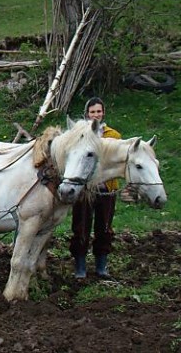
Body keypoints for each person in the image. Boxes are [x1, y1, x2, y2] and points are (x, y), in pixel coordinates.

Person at [69, 97, 121, 278]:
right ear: (87, 114)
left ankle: (101, 266)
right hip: (84, 189)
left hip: (107, 188)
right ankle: (80, 267)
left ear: (103, 113)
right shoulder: (80, 136)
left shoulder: (113, 136)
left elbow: (114, 162)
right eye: (92, 112)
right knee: (81, 225)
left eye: (99, 111)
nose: (96, 115)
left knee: (104, 226)